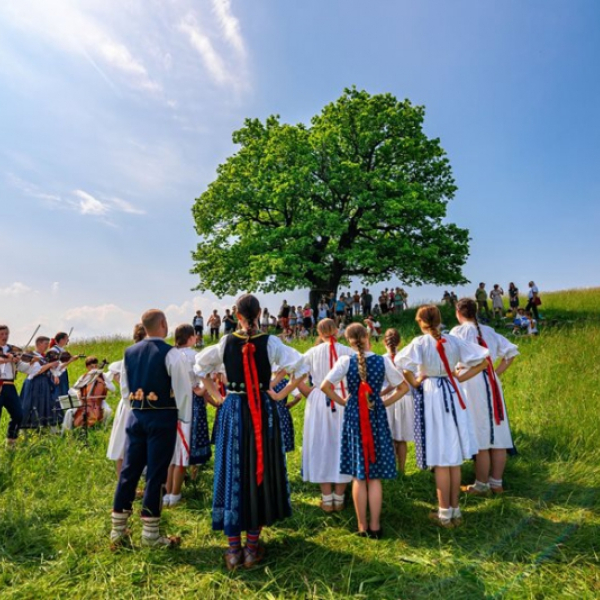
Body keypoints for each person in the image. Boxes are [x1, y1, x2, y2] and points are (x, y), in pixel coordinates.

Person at [194, 293, 307, 570]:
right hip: (260, 409)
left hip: (233, 409)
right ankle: (252, 548)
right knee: (259, 468)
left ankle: (234, 551)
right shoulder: (271, 342)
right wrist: (279, 396)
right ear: (258, 315)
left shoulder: (225, 343)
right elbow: (302, 367)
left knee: (233, 469)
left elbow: (199, 367)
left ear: (238, 315)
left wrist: (216, 397)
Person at [394, 306, 487, 528]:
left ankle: (444, 514)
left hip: (432, 395)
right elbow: (483, 360)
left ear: (420, 322)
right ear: (439, 320)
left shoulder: (420, 343)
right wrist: (460, 378)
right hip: (452, 393)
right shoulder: (453, 341)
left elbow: (399, 362)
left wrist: (416, 381)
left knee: (440, 458)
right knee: (453, 458)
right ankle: (455, 511)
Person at [110, 309, 192, 549]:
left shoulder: (129, 352)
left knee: (129, 471)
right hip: (162, 417)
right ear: (164, 325)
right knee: (156, 474)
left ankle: (117, 531)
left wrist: (135, 409)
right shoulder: (172, 354)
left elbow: (125, 390)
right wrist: (183, 418)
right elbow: (183, 390)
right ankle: (150, 534)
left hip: (136, 416)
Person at [321, 323, 408, 538]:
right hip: (375, 415)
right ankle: (376, 526)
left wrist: (343, 401)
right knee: (374, 475)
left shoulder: (345, 361)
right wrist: (383, 403)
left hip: (354, 416)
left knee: (359, 476)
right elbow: (404, 387)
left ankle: (361, 527)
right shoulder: (382, 361)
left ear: (348, 339)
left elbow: (324, 386)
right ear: (368, 336)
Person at [450, 299, 518, 496]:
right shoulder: (488, 330)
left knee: (480, 434)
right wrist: (496, 373)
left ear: (458, 313)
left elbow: (451, 356)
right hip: (490, 381)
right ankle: (496, 483)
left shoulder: (458, 332)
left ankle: (481, 485)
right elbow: (510, 353)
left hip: (471, 383)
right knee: (497, 433)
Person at [298, 319, 354, 512]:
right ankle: (339, 498)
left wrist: (309, 393)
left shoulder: (311, 353)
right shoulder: (348, 352)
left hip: (319, 399)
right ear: (337, 331)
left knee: (322, 444)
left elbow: (295, 373)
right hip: (343, 398)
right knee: (342, 444)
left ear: (319, 333)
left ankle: (327, 498)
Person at [164, 324, 203, 507]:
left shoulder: (169, 354)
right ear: (190, 337)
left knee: (172, 449)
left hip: (169, 404)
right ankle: (177, 491)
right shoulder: (194, 356)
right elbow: (197, 385)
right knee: (185, 448)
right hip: (189, 403)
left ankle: (169, 490)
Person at [106, 323, 147, 476]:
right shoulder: (131, 354)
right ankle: (123, 482)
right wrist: (133, 406)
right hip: (132, 405)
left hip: (142, 405)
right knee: (123, 444)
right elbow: (124, 384)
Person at [382, 329, 414, 473]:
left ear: (384, 342)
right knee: (401, 438)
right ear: (400, 342)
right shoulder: (406, 358)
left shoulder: (381, 359)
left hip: (387, 399)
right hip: (404, 398)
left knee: (388, 437)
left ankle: (390, 469)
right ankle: (401, 470)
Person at [62, 356, 115, 432]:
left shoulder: (103, 376)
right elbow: (72, 389)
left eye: (95, 366)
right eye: (91, 367)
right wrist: (79, 392)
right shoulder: (84, 377)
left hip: (99, 401)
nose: (94, 368)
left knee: (108, 411)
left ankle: (104, 428)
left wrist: (103, 382)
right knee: (69, 411)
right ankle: (67, 430)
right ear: (87, 367)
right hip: (84, 400)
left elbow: (113, 388)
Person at [20, 336, 61, 431]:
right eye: (45, 344)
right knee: (31, 405)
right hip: (34, 383)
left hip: (44, 383)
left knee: (46, 404)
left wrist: (54, 375)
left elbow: (47, 369)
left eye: (47, 344)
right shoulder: (31, 355)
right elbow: (37, 371)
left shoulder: (43, 357)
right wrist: (50, 364)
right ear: (39, 344)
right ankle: (27, 428)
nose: (47, 346)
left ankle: (43, 427)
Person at [0, 325, 32, 445]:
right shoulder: (9, 355)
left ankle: (11, 441)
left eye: (6, 334)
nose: (4, 336)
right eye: (2, 334)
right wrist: (9, 359)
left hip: (9, 386)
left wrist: (32, 365)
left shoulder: (13, 350)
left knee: (18, 414)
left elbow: (21, 367)